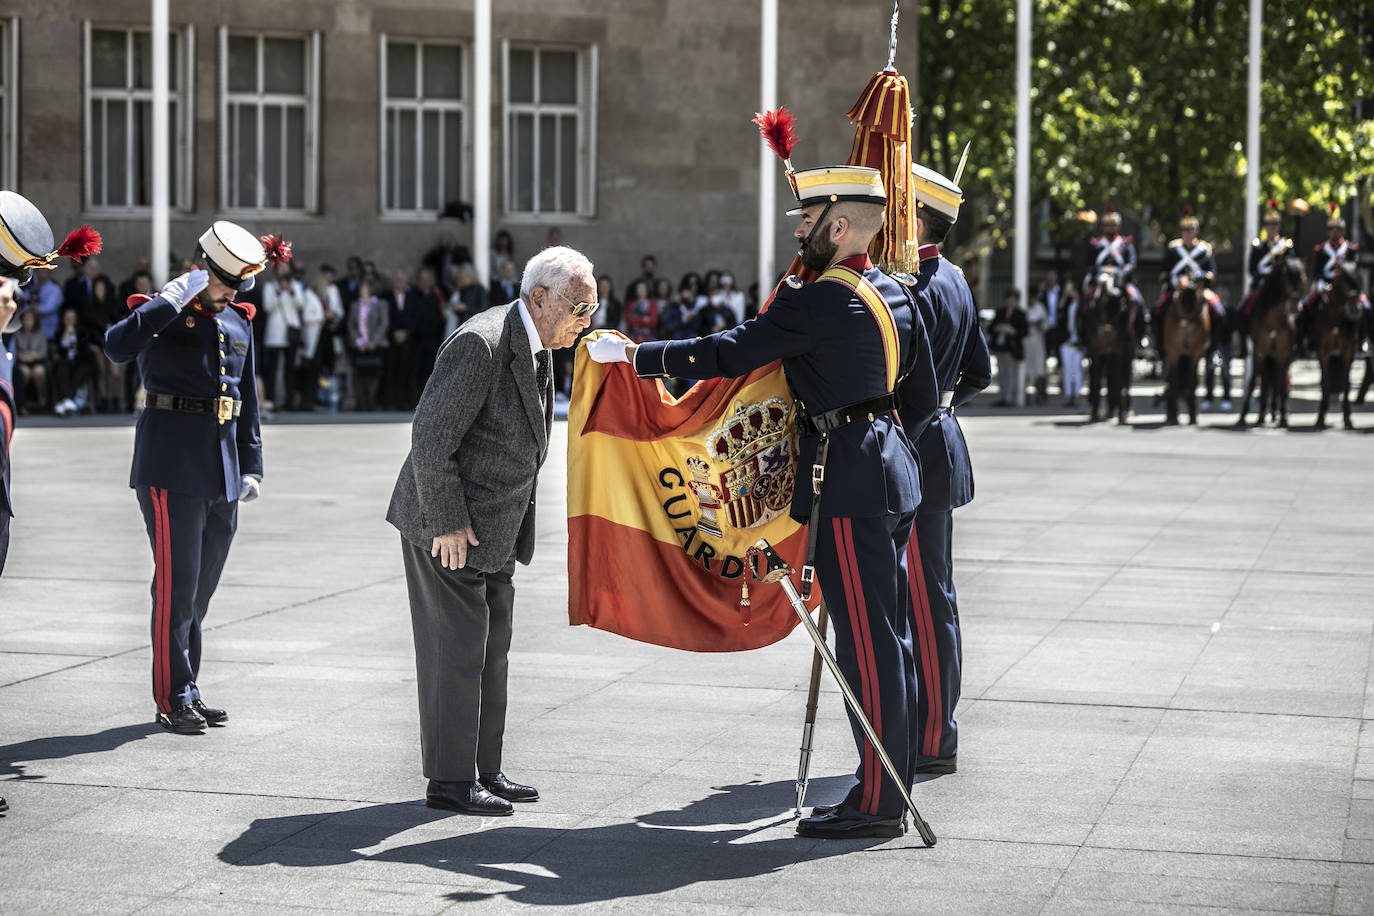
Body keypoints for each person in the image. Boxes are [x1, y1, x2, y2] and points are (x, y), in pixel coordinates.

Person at [589, 165, 940, 840]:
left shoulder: (815, 301)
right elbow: (919, 395)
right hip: (893, 467)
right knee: (888, 637)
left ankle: (879, 802)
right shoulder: (892, 291)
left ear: (838, 227)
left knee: (866, 644)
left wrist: (636, 358)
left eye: (807, 223)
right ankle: (889, 782)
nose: (799, 234)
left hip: (849, 476)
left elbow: (729, 351)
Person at [386, 245, 597, 817]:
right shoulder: (480, 344)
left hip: (497, 529)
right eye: (580, 310)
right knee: (455, 653)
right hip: (449, 528)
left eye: (591, 311)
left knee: (490, 652)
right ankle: (450, 782)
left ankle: (485, 768)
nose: (587, 323)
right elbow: (430, 441)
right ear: (539, 299)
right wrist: (449, 521)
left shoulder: (538, 345)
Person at [104, 220, 279, 735]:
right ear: (201, 272)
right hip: (170, 465)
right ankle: (172, 695)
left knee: (199, 590)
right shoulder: (161, 312)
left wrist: (252, 465)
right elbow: (116, 347)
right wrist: (167, 301)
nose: (229, 295)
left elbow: (244, 400)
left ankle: (190, 687)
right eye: (223, 284)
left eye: (236, 287)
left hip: (222, 469)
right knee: (176, 589)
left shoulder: (240, 322)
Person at [901, 162, 992, 777]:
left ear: (917, 217)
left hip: (911, 449)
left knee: (923, 599)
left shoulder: (915, 285)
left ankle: (935, 735)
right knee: (934, 593)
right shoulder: (954, 279)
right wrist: (943, 397)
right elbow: (980, 372)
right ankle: (936, 727)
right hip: (939, 437)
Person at [1154, 209, 1223, 344]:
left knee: (1220, 313)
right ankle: (1159, 348)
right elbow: (1164, 273)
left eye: (1190, 230)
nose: (1187, 234)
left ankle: (1213, 349)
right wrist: (1177, 280)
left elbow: (1212, 274)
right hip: (1176, 290)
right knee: (1156, 311)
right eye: (1185, 231)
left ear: (1196, 231)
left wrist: (1199, 276)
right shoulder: (1173, 250)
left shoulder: (1204, 250)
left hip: (1199, 290)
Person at [347, 278, 389, 411]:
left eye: (364, 288)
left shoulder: (380, 304)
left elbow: (384, 323)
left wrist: (373, 342)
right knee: (359, 373)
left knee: (374, 373)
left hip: (376, 345)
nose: (362, 291)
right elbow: (351, 325)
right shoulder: (355, 305)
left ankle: (372, 400)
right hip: (359, 345)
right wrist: (357, 340)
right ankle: (362, 401)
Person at [50, 306, 96, 416]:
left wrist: (74, 337)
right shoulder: (59, 332)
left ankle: (66, 400)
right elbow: (60, 352)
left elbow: (85, 351)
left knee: (79, 373)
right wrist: (66, 336)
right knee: (62, 368)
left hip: (81, 362)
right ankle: (69, 401)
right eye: (67, 318)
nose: (70, 321)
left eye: (72, 318)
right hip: (66, 362)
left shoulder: (82, 331)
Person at [987, 290, 1026, 406]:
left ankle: (1009, 398)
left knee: (1011, 374)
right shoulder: (1000, 312)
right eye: (1009, 299)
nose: (1010, 302)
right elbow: (991, 328)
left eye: (1013, 299)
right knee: (1002, 374)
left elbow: (1024, 331)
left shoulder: (1020, 314)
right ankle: (1003, 397)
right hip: (1000, 347)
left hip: (1012, 348)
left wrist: (1012, 331)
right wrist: (999, 328)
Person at [1058, 284, 1084, 407]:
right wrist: (1064, 294)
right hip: (1066, 340)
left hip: (1078, 341)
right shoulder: (1068, 304)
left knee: (1077, 369)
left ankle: (1077, 394)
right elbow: (1059, 309)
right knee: (1066, 370)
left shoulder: (1083, 305)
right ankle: (1068, 395)